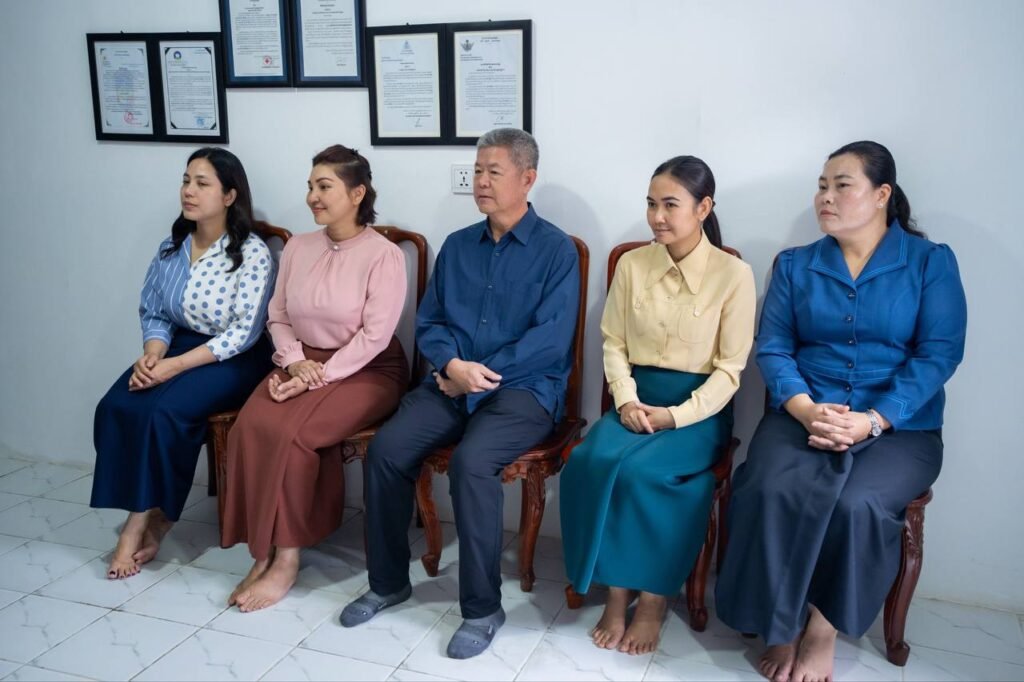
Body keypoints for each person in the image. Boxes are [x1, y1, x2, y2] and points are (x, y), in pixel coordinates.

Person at [715, 141, 967, 682]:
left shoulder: (930, 263)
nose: (825, 197)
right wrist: (806, 410)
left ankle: (822, 628)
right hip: (805, 413)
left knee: (858, 504)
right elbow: (774, 347)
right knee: (766, 487)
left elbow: (939, 354)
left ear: (881, 195)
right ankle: (778, 623)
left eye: (841, 185)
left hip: (900, 428)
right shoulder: (796, 265)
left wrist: (873, 419)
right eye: (821, 186)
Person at [339, 128, 580, 659]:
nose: (482, 181)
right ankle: (387, 583)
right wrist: (452, 366)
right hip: (450, 382)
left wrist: (476, 375)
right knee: (387, 450)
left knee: (473, 463)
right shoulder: (457, 246)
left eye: (494, 171)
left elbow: (549, 341)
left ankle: (482, 609)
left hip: (524, 391)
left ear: (528, 178)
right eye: (477, 171)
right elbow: (431, 322)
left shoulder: (556, 250)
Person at [560, 156, 755, 655]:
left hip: (698, 411)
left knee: (647, 475)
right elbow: (614, 343)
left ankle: (651, 598)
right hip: (635, 398)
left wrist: (675, 416)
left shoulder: (734, 274)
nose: (657, 217)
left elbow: (730, 371)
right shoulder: (632, 264)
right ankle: (615, 591)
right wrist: (626, 400)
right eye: (651, 204)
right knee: (588, 460)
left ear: (703, 208)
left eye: (670, 205)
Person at [220, 144, 409, 612]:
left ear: (357, 194)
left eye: (324, 187)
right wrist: (293, 362)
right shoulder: (299, 247)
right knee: (251, 425)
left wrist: (317, 375)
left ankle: (286, 558)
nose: (312, 197)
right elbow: (278, 315)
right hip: (301, 360)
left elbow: (374, 336)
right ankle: (260, 550)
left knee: (295, 435)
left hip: (367, 369)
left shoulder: (383, 256)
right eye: (310, 186)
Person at [92, 147, 275, 579]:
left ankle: (144, 523)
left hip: (233, 357)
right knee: (116, 405)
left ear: (229, 195)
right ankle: (147, 508)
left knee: (164, 412)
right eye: (186, 181)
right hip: (176, 346)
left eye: (202, 183)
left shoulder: (251, 253)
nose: (189, 191)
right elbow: (155, 311)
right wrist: (153, 354)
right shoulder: (171, 248)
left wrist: (174, 367)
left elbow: (244, 332)